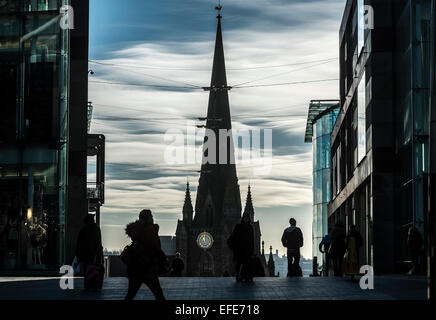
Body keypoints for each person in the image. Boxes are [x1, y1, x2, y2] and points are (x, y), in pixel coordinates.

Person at [124, 209, 165, 300]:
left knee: (130, 295)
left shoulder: (137, 230)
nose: (153, 218)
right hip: (148, 268)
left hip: (135, 268)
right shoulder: (150, 230)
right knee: (159, 294)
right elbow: (155, 248)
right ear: (148, 218)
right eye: (151, 216)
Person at [76, 214, 103, 289]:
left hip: (85, 253)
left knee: (86, 268)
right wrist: (100, 252)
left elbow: (79, 243)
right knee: (95, 268)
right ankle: (94, 285)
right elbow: (98, 242)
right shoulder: (96, 228)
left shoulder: (83, 229)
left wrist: (78, 253)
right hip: (94, 252)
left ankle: (87, 285)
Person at [227, 213, 255, 282]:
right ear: (243, 218)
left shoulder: (250, 228)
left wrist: (252, 250)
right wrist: (233, 246)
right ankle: (237, 275)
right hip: (239, 249)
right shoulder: (238, 226)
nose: (246, 219)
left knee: (247, 263)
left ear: (249, 219)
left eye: (247, 218)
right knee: (239, 263)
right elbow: (233, 236)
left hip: (247, 249)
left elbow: (252, 240)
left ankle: (246, 275)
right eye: (245, 218)